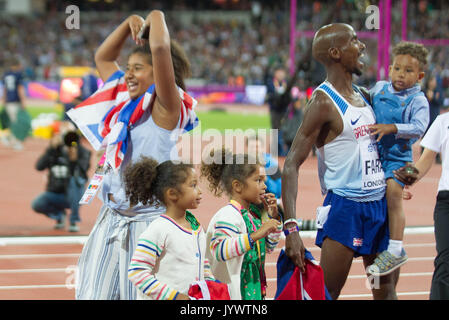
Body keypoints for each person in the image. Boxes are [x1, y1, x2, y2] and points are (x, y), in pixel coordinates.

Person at [70, 11, 198, 299]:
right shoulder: (121, 102)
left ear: (159, 74)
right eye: (128, 67)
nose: (128, 74)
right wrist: (127, 23)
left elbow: (161, 48)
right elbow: (103, 58)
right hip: (111, 219)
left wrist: (155, 15)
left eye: (138, 68)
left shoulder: (165, 109)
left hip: (147, 225)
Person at [281, 23, 398, 300]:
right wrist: (292, 229)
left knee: (386, 288)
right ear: (335, 52)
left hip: (380, 207)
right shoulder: (323, 102)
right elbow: (290, 165)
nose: (362, 46)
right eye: (354, 41)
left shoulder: (365, 96)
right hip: (346, 209)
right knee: (328, 292)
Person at [366, 41, 430, 276]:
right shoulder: (380, 88)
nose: (400, 74)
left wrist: (392, 127)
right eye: (397, 68)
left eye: (409, 70)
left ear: (420, 75)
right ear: (390, 68)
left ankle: (395, 249)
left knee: (393, 192)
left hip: (397, 159)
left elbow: (419, 127)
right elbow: (362, 100)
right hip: (373, 156)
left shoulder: (418, 100)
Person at [125, 157, 214, 300]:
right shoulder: (159, 230)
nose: (200, 191)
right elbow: (137, 272)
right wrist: (175, 296)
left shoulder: (195, 225)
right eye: (193, 185)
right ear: (172, 193)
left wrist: (210, 282)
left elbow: (201, 260)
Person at [201, 148, 282, 300]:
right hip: (230, 295)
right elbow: (220, 251)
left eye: (264, 180)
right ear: (237, 186)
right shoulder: (227, 216)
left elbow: (269, 247)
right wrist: (257, 234)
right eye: (258, 180)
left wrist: (274, 218)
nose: (264, 186)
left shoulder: (252, 215)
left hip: (253, 292)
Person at [394, 111, 449, 300]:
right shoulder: (443, 122)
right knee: (445, 261)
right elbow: (423, 163)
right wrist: (399, 182)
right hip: (446, 202)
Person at [31, 129, 91, 232]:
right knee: (37, 204)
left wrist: (73, 158)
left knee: (73, 182)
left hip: (74, 195)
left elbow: (83, 170)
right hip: (55, 193)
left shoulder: (82, 151)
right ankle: (59, 215)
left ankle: (73, 220)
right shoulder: (54, 152)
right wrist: (51, 149)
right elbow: (39, 166)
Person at [1, 57, 28, 150]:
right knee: (17, 122)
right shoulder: (18, 74)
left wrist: (4, 99)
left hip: (8, 101)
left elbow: (4, 88)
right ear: (17, 65)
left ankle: (9, 138)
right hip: (16, 101)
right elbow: (20, 88)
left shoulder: (6, 74)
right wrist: (23, 100)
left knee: (12, 121)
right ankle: (15, 141)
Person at [424, 74, 444, 164]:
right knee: (426, 137)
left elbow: (441, 102)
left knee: (438, 137)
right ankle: (423, 155)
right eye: (431, 81)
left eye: (434, 81)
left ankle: (437, 158)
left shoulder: (438, 91)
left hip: (436, 117)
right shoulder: (424, 91)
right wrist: (428, 97)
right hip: (426, 117)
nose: (433, 83)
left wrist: (434, 98)